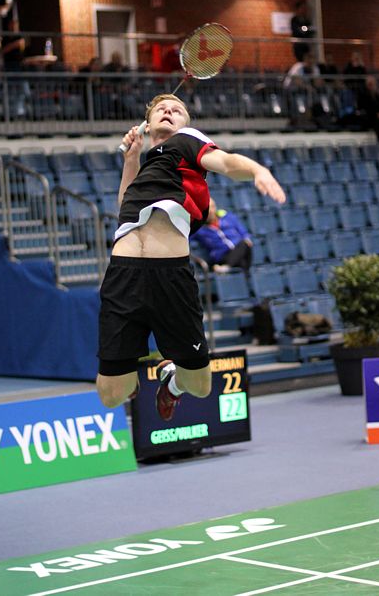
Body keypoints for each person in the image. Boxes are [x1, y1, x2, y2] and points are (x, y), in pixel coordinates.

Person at [96, 94, 286, 421]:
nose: (169, 112)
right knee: (111, 396)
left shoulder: (187, 141)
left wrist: (257, 169)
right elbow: (126, 209)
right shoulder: (146, 160)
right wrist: (131, 158)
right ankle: (133, 373)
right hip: (124, 275)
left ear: (186, 123)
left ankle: (172, 383)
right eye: (161, 109)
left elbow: (226, 163)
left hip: (171, 277)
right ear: (148, 120)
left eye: (177, 110)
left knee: (199, 386)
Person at [191, 198, 253, 273]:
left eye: (212, 207)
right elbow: (186, 239)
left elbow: (244, 233)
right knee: (242, 260)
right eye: (207, 209)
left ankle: (228, 268)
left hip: (240, 252)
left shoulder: (228, 217)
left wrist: (247, 238)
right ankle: (241, 274)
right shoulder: (198, 228)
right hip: (222, 256)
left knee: (244, 244)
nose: (210, 211)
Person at [357, 76, 379, 145]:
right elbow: (365, 108)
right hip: (368, 117)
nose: (372, 86)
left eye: (373, 84)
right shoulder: (362, 95)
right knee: (378, 120)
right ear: (366, 84)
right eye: (370, 84)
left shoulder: (378, 95)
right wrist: (377, 114)